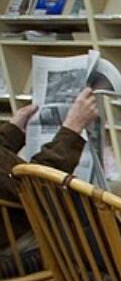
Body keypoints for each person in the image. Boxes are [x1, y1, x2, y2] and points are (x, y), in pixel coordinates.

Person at [0, 88, 99, 251]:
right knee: (105, 207)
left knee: (119, 190)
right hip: (19, 234)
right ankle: (118, 272)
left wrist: (12, 130)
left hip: (20, 215)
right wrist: (73, 127)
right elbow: (38, 186)